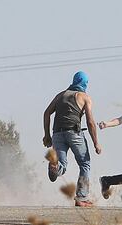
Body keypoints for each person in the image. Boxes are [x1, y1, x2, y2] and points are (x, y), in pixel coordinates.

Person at [43, 71, 102, 207]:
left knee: (62, 164)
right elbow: (90, 121)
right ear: (85, 83)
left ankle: (55, 167)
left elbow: (46, 113)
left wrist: (47, 135)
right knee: (85, 164)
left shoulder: (60, 95)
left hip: (57, 133)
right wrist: (96, 143)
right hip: (74, 133)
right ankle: (81, 197)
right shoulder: (85, 97)